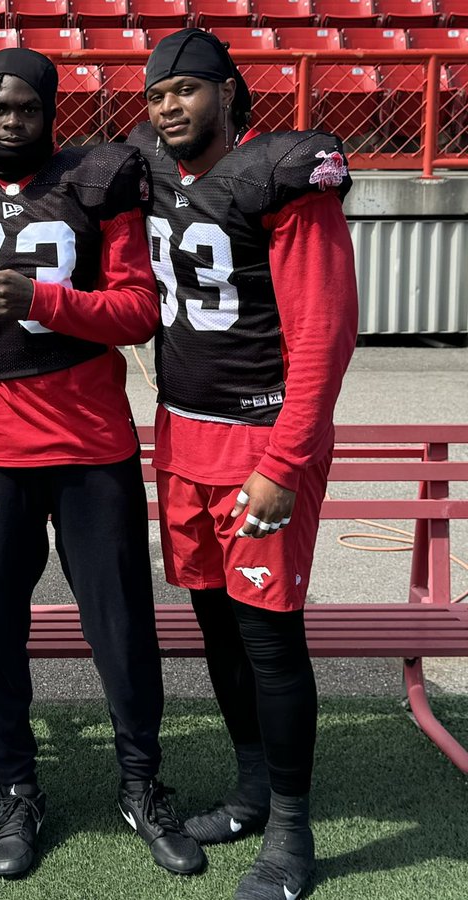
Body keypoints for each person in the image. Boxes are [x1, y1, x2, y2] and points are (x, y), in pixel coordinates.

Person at [0, 48, 206, 880]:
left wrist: (43, 301)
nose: (11, 121)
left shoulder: (100, 180)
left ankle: (141, 783)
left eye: (27, 108)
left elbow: (139, 311)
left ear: (51, 111)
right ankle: (20, 788)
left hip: (93, 439)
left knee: (123, 627)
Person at [130, 28, 358, 900]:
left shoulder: (285, 178)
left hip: (260, 445)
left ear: (228, 91)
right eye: (157, 94)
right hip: (184, 441)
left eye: (187, 89)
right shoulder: (152, 167)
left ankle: (293, 832)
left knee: (269, 637)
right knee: (217, 628)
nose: (170, 106)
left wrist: (286, 462)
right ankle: (255, 786)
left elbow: (325, 337)